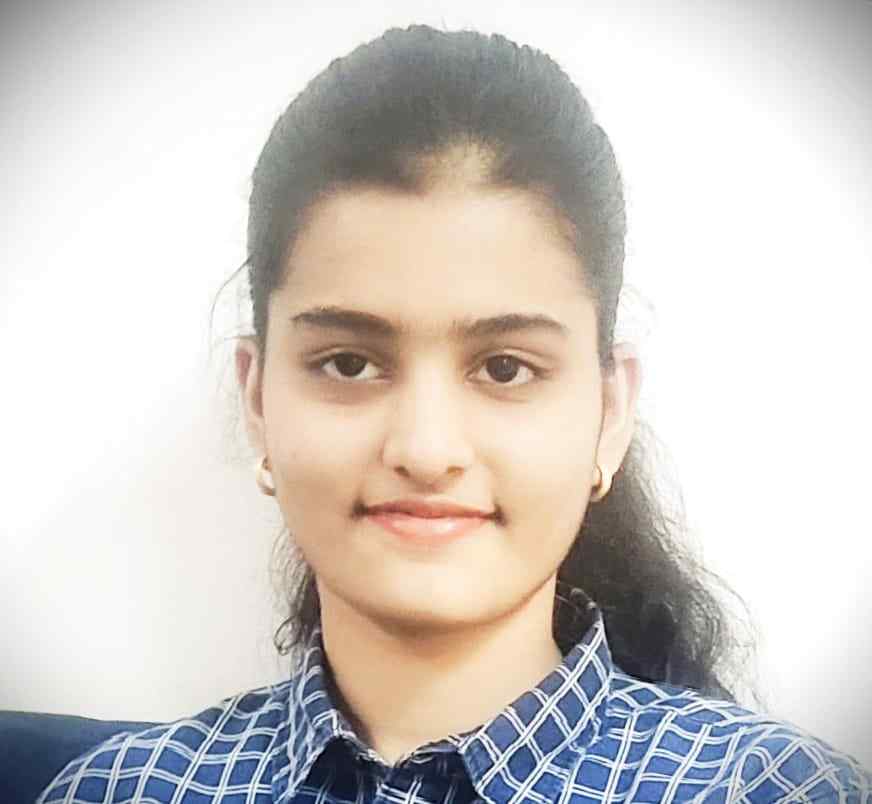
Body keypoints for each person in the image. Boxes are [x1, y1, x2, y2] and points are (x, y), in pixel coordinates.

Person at [37, 23, 871, 804]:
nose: (427, 449)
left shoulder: (778, 789)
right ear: (258, 400)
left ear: (610, 411)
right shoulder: (121, 789)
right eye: (350, 363)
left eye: (505, 368)